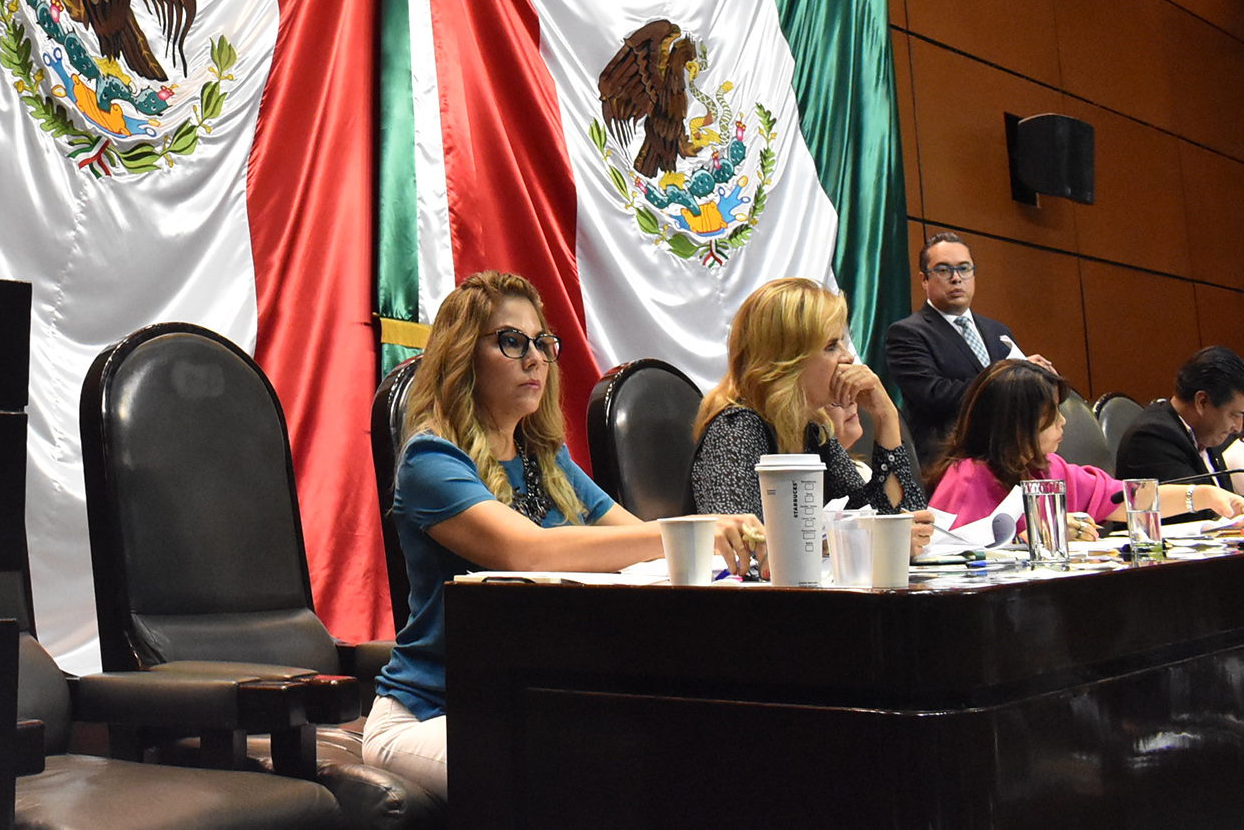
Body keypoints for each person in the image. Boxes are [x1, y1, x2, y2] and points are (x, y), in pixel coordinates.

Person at [364, 271, 763, 800]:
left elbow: (637, 544)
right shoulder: (430, 459)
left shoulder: (547, 462)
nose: (535, 359)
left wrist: (702, 542)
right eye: (512, 341)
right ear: (462, 356)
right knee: (584, 776)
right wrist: (691, 531)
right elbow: (525, 552)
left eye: (542, 343)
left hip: (525, 699)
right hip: (430, 713)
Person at [691, 277, 931, 534]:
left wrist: (886, 416)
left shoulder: (813, 432)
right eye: (831, 346)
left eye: (842, 342)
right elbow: (741, 544)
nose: (848, 357)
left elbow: (896, 516)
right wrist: (864, 540)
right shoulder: (736, 429)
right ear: (787, 361)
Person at [930, 361, 1244, 537]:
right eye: (1052, 414)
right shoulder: (967, 478)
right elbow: (950, 558)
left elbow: (1125, 499)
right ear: (1018, 422)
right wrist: (1024, 540)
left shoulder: (1048, 468)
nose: (1062, 423)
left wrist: (1203, 496)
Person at [884, 232, 1056, 463]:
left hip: (1009, 458)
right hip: (948, 461)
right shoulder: (907, 333)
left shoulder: (998, 331)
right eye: (943, 270)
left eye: (964, 269)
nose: (956, 278)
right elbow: (934, 395)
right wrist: (1007, 379)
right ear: (924, 279)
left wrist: (1034, 376)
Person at [1113, 346, 1244, 487]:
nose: (1238, 428)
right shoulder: (1151, 438)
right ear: (1202, 401)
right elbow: (1196, 502)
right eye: (1234, 415)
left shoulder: (1208, 434)